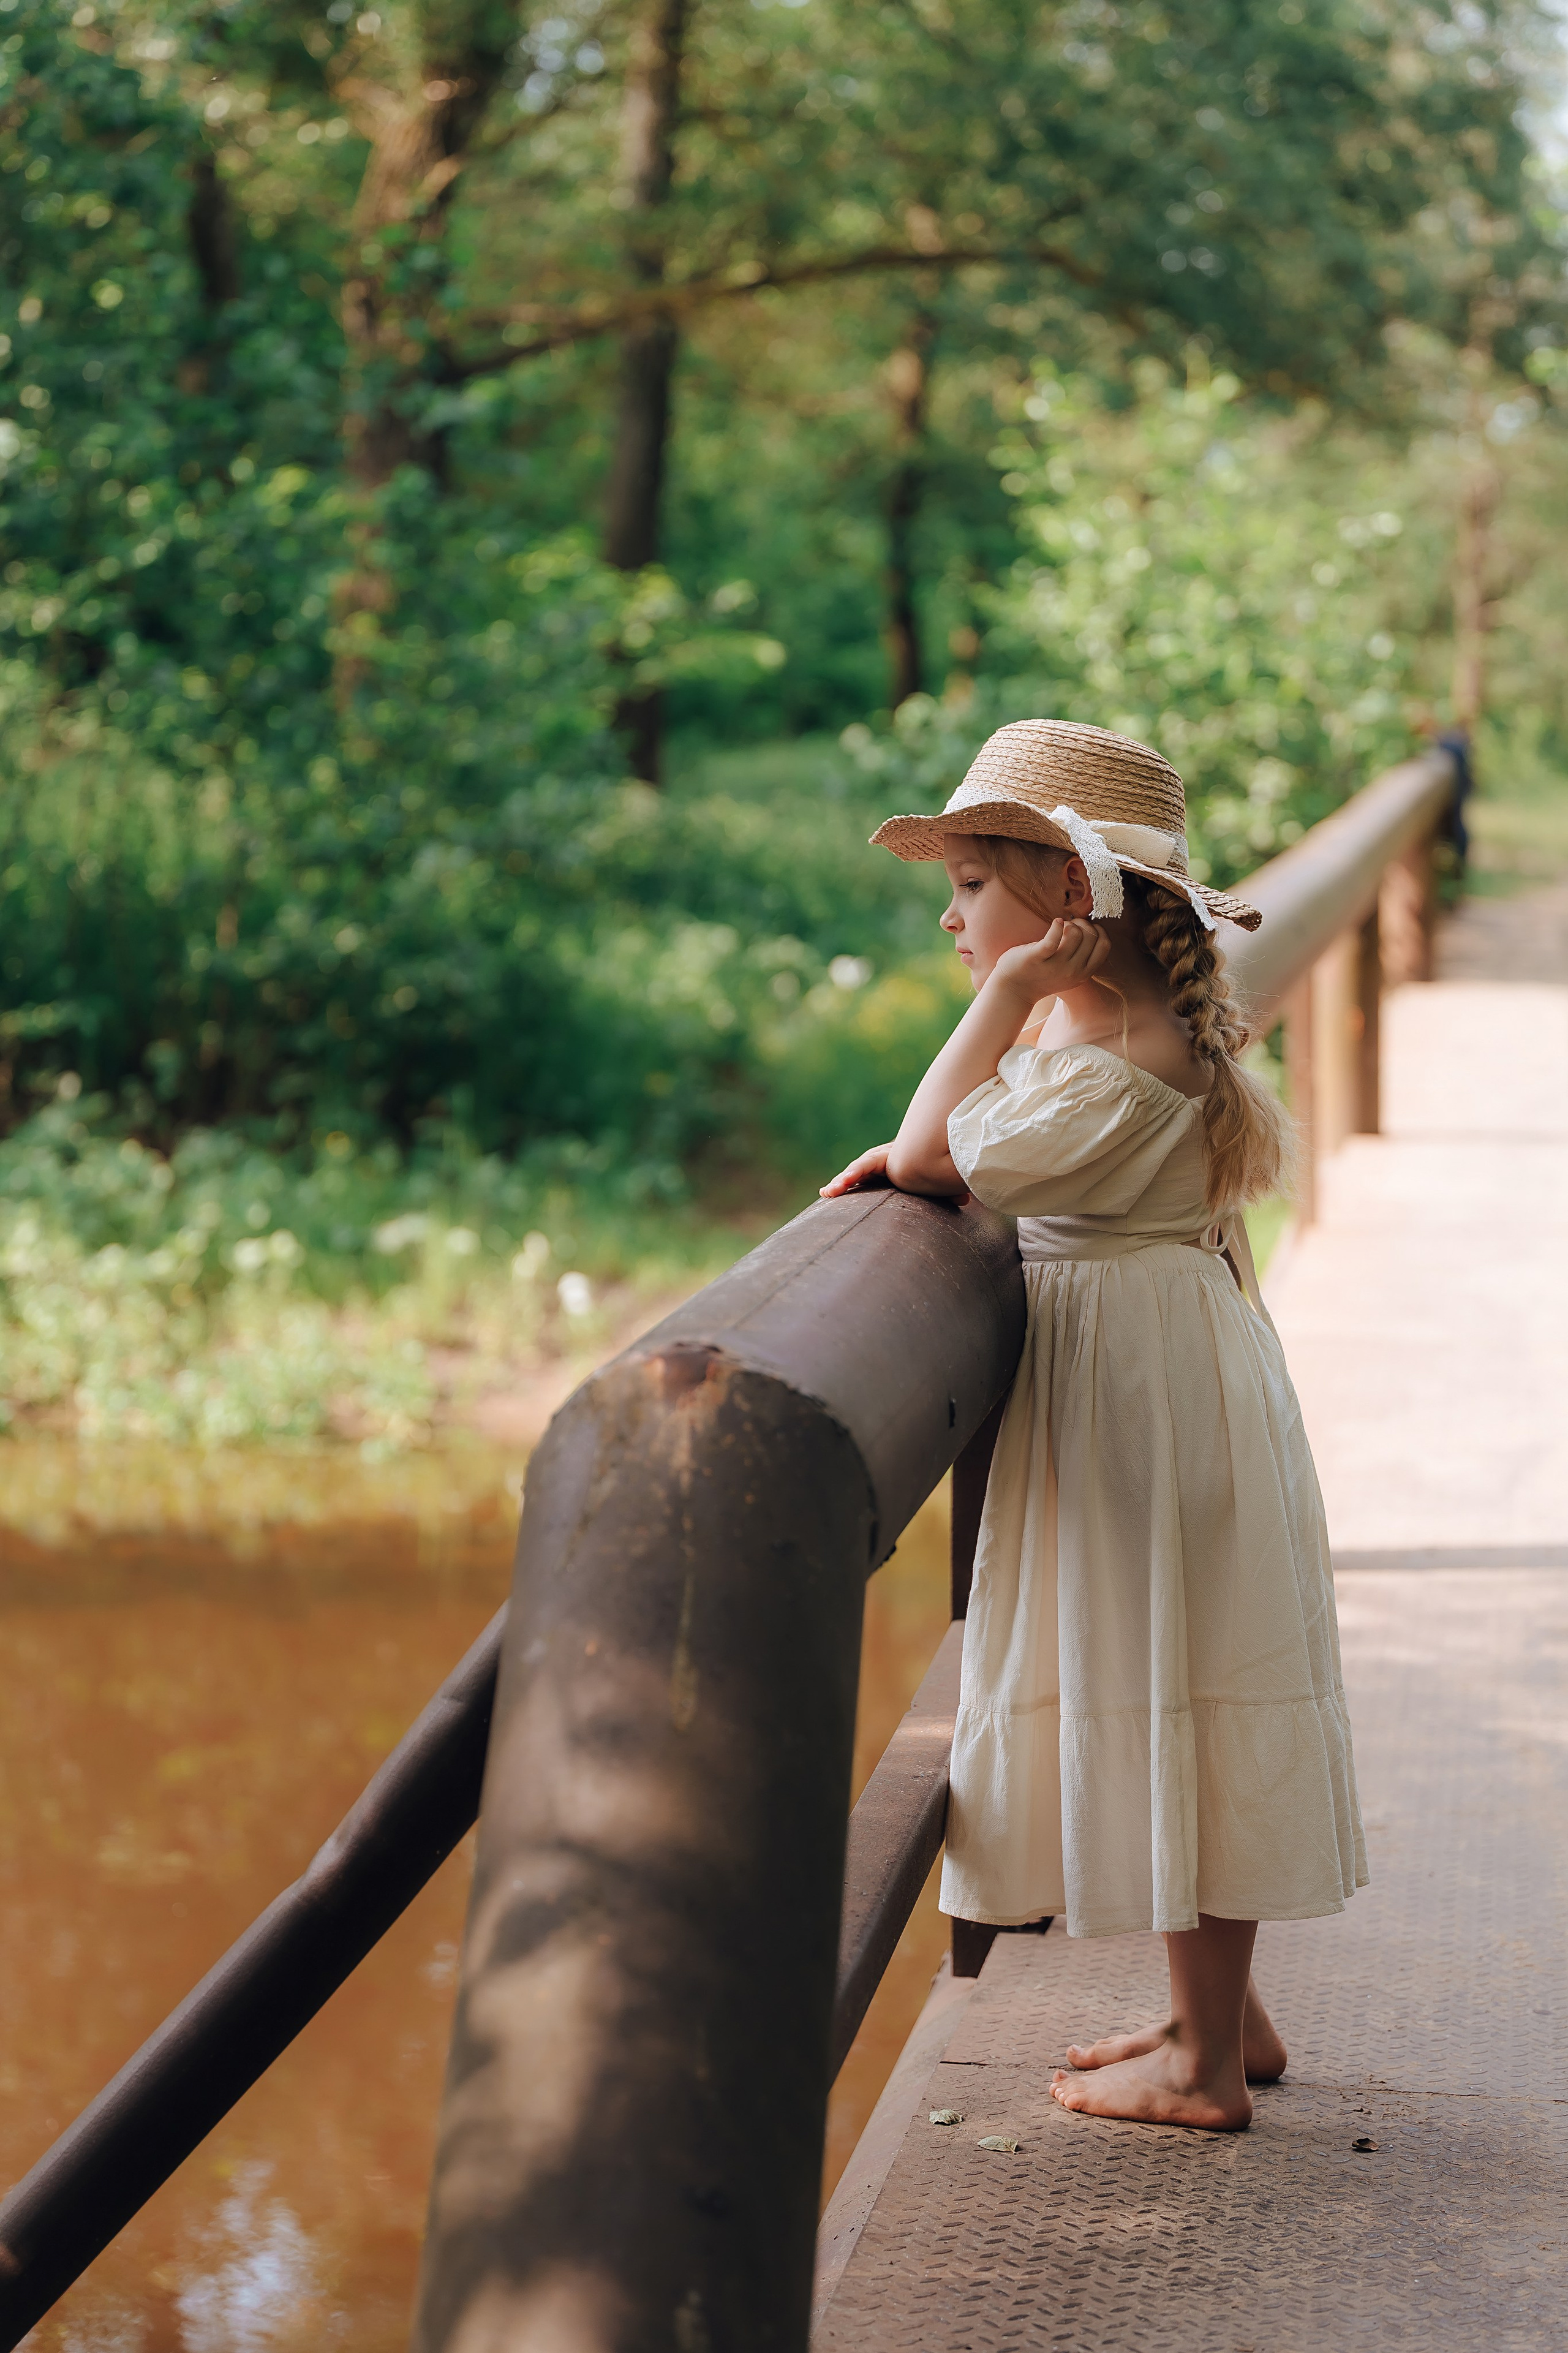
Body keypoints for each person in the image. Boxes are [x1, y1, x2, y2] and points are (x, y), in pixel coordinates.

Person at [821, 719, 1366, 2132]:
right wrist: (1024, 992)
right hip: (1171, 1380)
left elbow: (935, 1152)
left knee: (1175, 1679)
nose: (950, 917)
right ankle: (1218, 2017)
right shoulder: (1127, 1026)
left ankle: (1199, 2067)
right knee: (1187, 1673)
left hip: (1143, 1407)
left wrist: (997, 999)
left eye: (972, 887)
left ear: (1064, 902)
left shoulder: (1099, 1052)